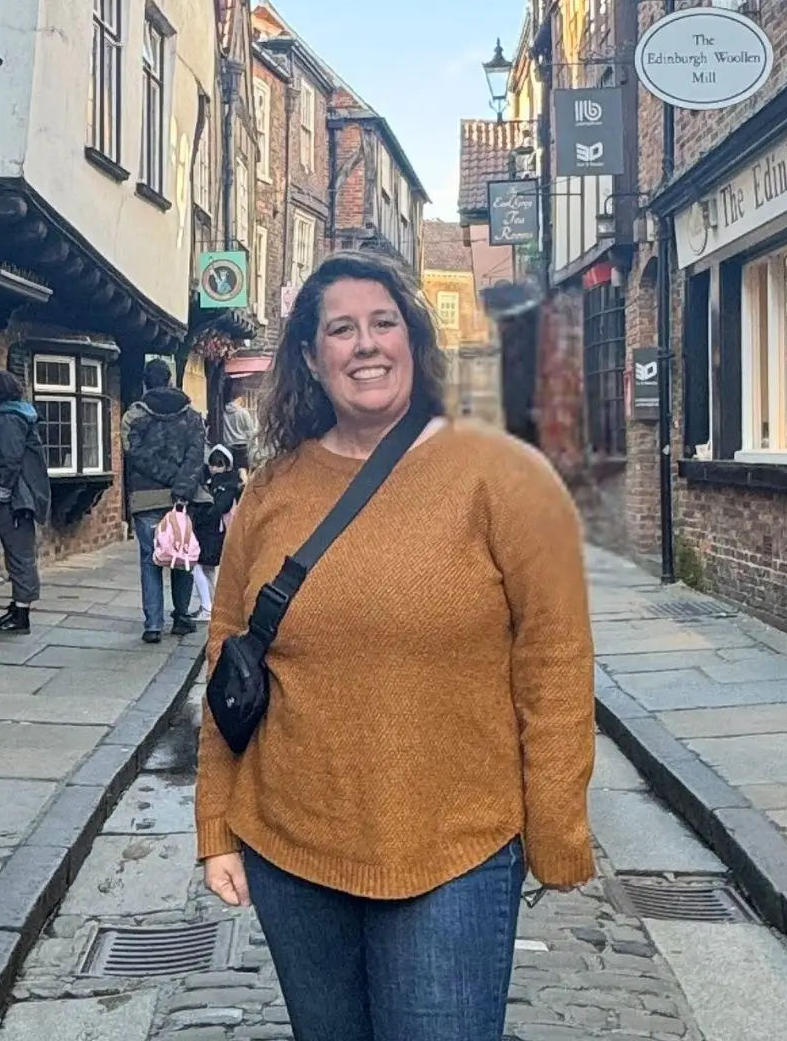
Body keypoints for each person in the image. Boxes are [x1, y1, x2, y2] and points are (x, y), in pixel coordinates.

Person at [195, 251, 595, 1041]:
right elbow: (228, 660)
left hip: (454, 847)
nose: (366, 344)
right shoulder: (271, 493)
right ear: (311, 358)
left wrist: (555, 827)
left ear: (415, 340)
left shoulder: (507, 479)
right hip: (292, 846)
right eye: (340, 330)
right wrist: (217, 825)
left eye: (384, 324)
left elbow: (555, 659)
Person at [122, 358, 207, 643]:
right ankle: (181, 618)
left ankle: (153, 625)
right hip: (181, 499)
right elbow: (196, 458)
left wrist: (166, 477)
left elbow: (135, 455)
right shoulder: (193, 417)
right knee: (181, 556)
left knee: (151, 560)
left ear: (146, 382)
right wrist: (180, 486)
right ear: (170, 380)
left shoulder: (134, 417)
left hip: (146, 499)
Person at [0, 370, 51, 635]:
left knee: (20, 556)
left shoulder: (6, 418)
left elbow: (9, 459)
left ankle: (21, 616)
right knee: (18, 554)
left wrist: (2, 490)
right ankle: (18, 606)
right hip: (21, 495)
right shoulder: (15, 413)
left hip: (18, 498)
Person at [188, 444, 244, 614]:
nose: (215, 468)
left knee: (195, 565)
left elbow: (220, 507)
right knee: (208, 569)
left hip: (212, 532)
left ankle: (207, 606)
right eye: (212, 464)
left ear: (228, 466)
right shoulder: (218, 482)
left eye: (219, 465)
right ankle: (216, 605)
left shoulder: (226, 485)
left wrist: (200, 515)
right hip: (212, 531)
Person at [222, 393, 259, 472]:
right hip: (242, 446)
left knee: (230, 471)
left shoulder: (222, 413)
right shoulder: (243, 413)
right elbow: (250, 431)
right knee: (242, 472)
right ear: (239, 398)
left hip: (228, 446)